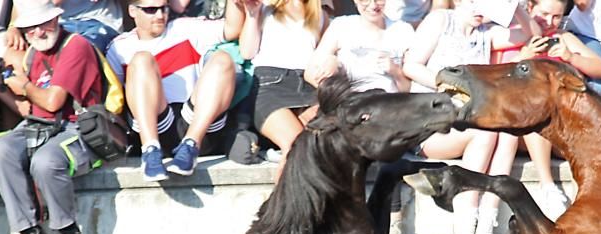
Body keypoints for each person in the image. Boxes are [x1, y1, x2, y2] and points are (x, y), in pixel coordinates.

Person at [403, 0, 534, 234]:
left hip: (466, 120)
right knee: (483, 135)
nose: (480, 8)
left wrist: (513, 5)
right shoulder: (441, 20)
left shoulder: (486, 33)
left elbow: (528, 32)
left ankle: (489, 212)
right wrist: (447, 87)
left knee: (508, 134)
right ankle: (466, 208)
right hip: (431, 121)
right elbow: (411, 65)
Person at [0, 0, 102, 234]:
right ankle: (28, 233)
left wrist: (23, 85)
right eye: (30, 28)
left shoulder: (76, 46)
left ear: (56, 20)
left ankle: (68, 232)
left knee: (46, 160)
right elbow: (29, 109)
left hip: (78, 127)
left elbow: (52, 101)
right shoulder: (33, 53)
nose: (38, 32)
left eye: (43, 24)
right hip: (39, 125)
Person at [107, 0, 241, 182]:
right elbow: (114, 99)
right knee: (141, 60)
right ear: (132, 11)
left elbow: (233, 29)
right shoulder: (118, 47)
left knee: (223, 60)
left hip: (196, 122)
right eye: (151, 10)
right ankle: (150, 150)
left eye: (164, 9)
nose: (160, 15)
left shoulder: (183, 27)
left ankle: (190, 146)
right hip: (156, 124)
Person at [511, 0, 601, 219]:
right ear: (529, 8)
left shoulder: (564, 38)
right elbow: (495, 77)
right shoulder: (516, 36)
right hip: (526, 125)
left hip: (564, 124)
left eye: (556, 17)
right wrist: (523, 56)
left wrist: (571, 57)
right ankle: (548, 187)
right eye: (543, 14)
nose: (549, 22)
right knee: (538, 112)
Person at [236, 0, 326, 180]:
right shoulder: (266, 6)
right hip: (271, 84)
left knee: (323, 143)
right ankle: (282, 207)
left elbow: (324, 57)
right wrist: (252, 15)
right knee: (295, 145)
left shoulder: (319, 14)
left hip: (308, 86)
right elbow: (247, 52)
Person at [304, 0, 414, 93]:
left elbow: (408, 90)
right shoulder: (341, 26)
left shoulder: (403, 30)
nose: (373, 5)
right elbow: (310, 73)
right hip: (351, 105)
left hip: (388, 106)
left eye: (379, 0)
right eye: (365, 0)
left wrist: (396, 72)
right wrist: (329, 73)